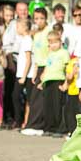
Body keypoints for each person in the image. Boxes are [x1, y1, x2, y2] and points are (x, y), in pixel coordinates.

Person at [21, 7, 50, 136]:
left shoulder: (49, 32)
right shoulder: (36, 34)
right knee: (34, 98)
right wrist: (35, 71)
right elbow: (37, 55)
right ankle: (33, 124)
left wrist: (45, 71)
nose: (39, 21)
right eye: (36, 18)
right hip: (38, 67)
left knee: (39, 98)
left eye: (41, 18)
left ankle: (37, 126)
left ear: (46, 18)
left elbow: (51, 53)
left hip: (48, 67)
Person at [40, 30, 71, 137]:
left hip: (58, 80)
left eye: (55, 42)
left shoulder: (64, 52)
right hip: (48, 81)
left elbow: (68, 68)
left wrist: (66, 83)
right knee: (48, 106)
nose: (53, 45)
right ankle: (49, 127)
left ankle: (59, 128)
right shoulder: (50, 54)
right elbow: (47, 67)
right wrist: (42, 80)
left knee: (57, 105)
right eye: (51, 43)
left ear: (60, 41)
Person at [13, 18, 35, 130]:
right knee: (18, 97)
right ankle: (21, 121)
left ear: (24, 28)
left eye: (18, 26)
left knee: (21, 98)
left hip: (26, 75)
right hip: (21, 73)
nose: (16, 29)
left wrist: (23, 76)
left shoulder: (27, 40)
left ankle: (22, 121)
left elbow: (28, 60)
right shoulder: (24, 40)